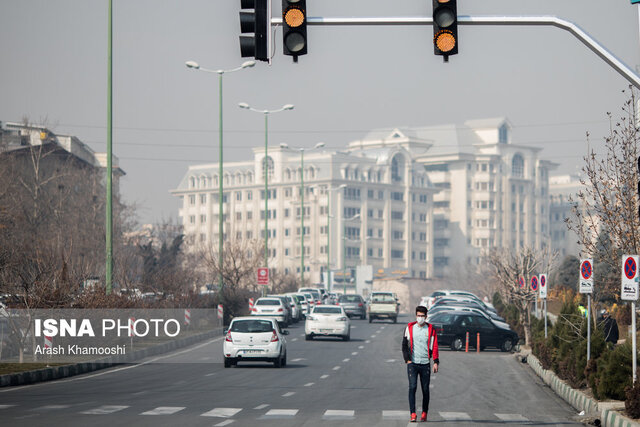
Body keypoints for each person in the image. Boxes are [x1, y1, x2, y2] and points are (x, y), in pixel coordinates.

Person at [402, 305, 439, 423]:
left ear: (426, 317)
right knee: (412, 387)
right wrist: (407, 359)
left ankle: (424, 412)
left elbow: (435, 346)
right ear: (416, 316)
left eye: (422, 316)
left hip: (425, 363)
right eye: (418, 316)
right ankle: (413, 413)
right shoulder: (410, 327)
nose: (420, 318)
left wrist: (435, 362)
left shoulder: (431, 329)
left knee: (425, 390)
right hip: (412, 363)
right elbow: (404, 344)